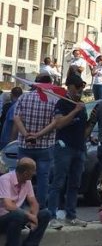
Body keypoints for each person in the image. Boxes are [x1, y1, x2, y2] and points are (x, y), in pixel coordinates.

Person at [13, 73, 65, 207]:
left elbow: (17, 118)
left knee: (21, 175)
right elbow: (55, 122)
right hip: (45, 146)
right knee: (43, 178)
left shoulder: (24, 97)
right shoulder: (54, 100)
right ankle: (40, 206)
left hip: (25, 145)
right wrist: (38, 135)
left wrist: (26, 135)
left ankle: (19, 203)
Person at [47, 73, 89, 229]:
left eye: (82, 87)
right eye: (77, 87)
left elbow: (84, 129)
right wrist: (74, 111)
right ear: (70, 87)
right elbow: (59, 124)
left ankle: (71, 215)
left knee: (75, 184)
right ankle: (51, 216)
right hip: (64, 147)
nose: (80, 90)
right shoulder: (61, 103)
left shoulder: (82, 104)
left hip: (80, 148)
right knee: (58, 182)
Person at [0, 158, 51, 246]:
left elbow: (33, 202)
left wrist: (34, 218)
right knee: (17, 214)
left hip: (17, 219)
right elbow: (8, 205)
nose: (34, 174)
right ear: (25, 173)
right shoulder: (5, 179)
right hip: (3, 219)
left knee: (45, 214)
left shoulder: (27, 181)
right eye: (32, 172)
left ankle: (30, 244)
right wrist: (29, 215)